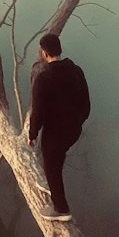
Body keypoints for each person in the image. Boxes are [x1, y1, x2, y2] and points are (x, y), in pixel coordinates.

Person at [27, 32, 90, 222]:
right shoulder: (76, 70)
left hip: (55, 134)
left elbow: (37, 112)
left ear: (44, 53)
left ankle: (61, 209)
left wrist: (32, 134)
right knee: (56, 159)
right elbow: (86, 103)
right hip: (74, 130)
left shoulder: (43, 79)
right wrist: (78, 121)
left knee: (51, 164)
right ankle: (52, 187)